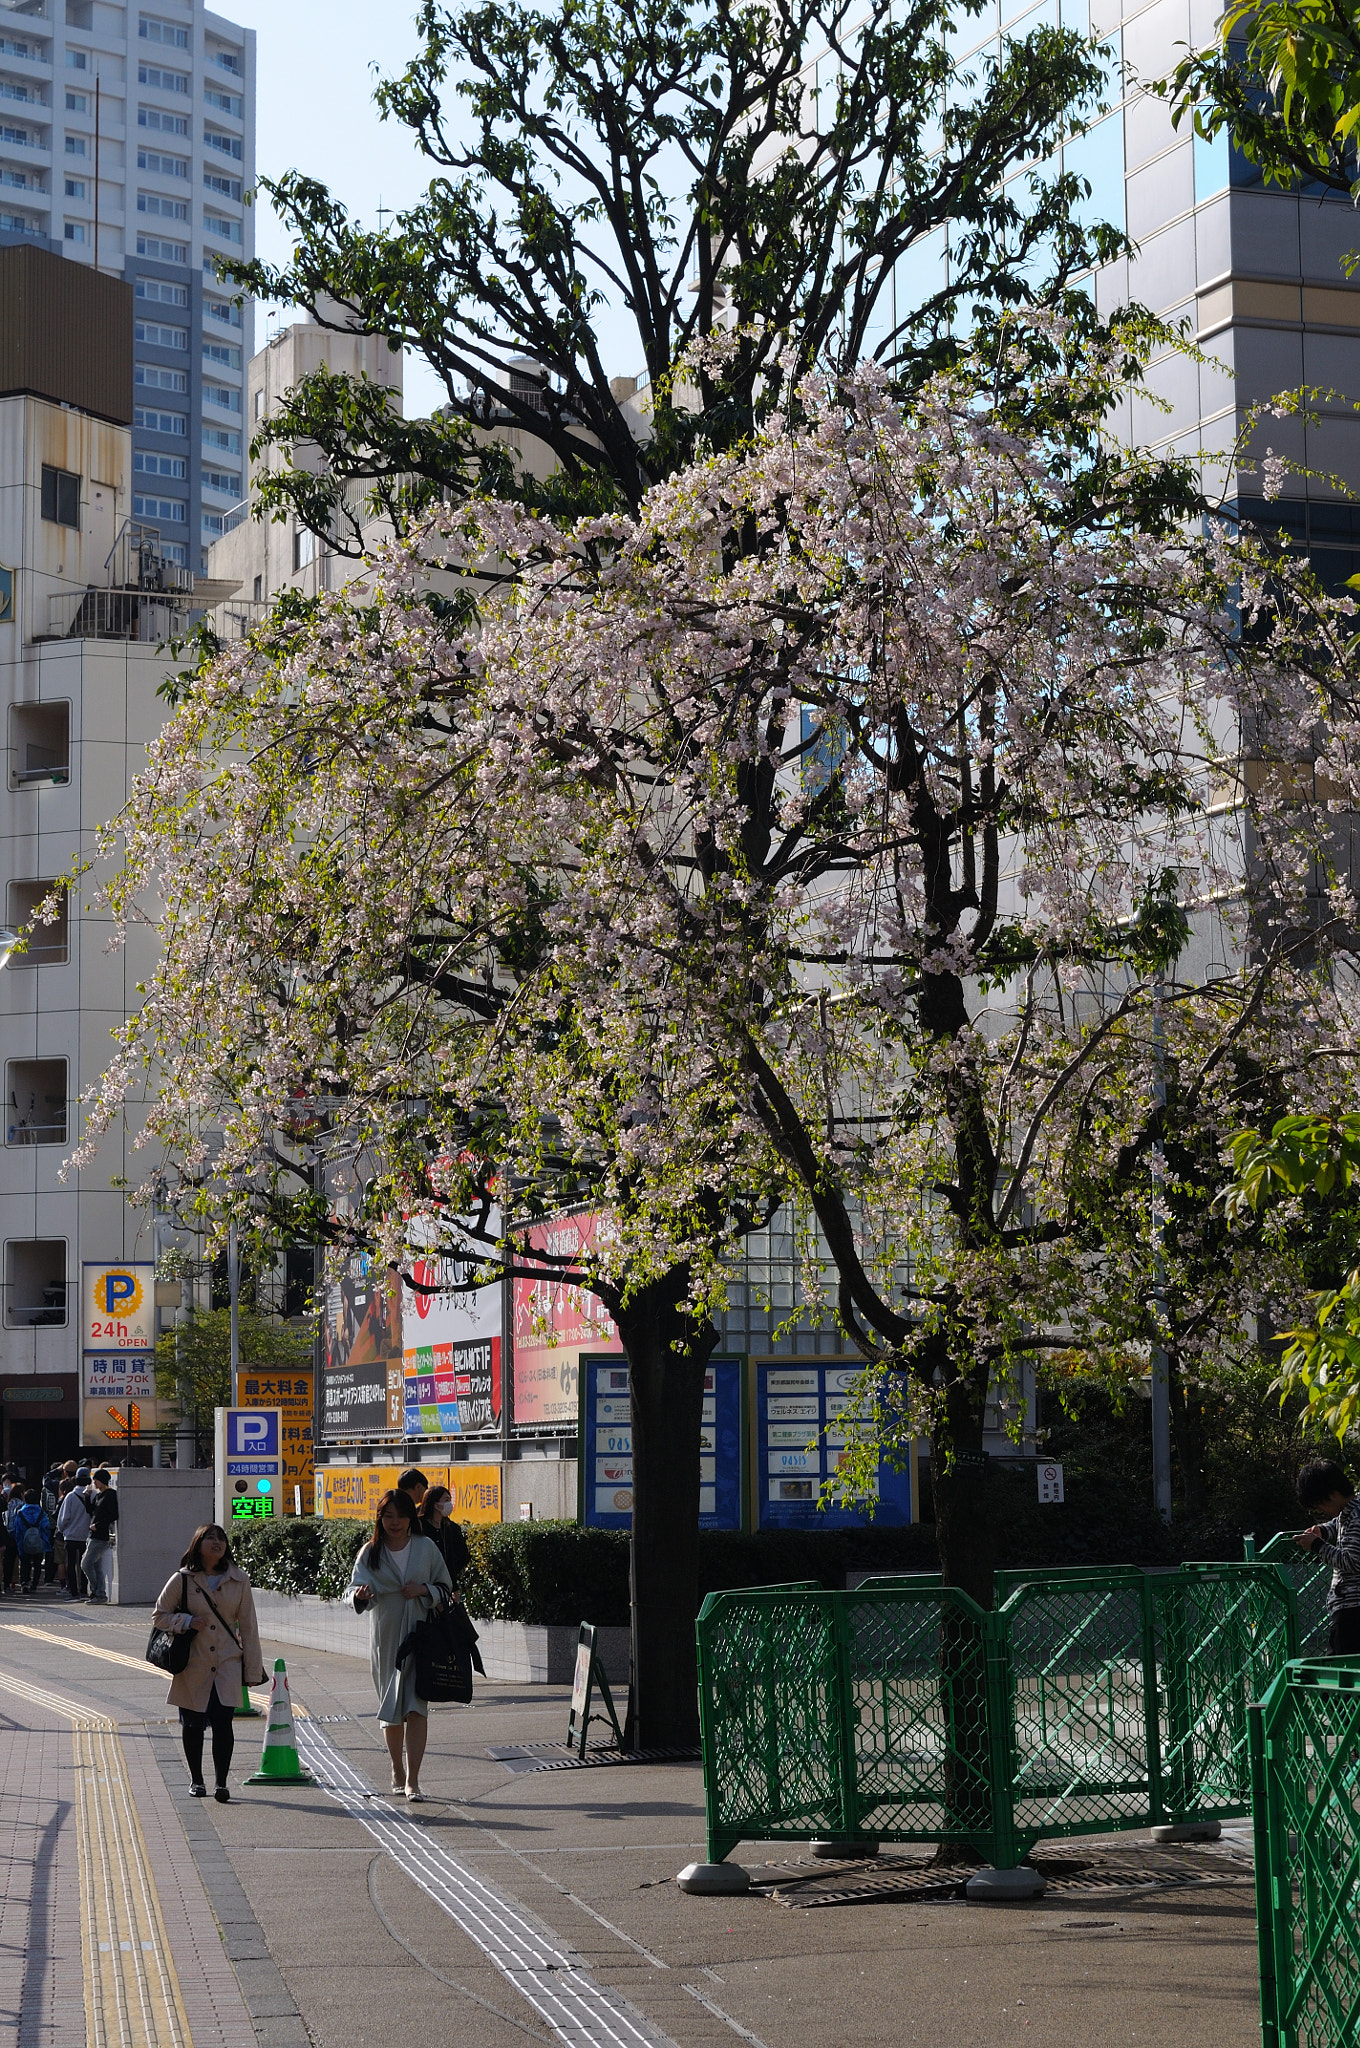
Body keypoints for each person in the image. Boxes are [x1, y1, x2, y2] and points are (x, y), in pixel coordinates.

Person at [347, 1488, 452, 1801]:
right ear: (380, 1518)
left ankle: (413, 1780)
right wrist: (360, 1596)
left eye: (401, 1515)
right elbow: (351, 1589)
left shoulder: (426, 1548)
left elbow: (446, 1588)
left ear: (411, 1517)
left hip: (420, 1635)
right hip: (387, 1638)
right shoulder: (370, 1551)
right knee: (391, 1707)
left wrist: (424, 1590)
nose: (394, 1522)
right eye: (388, 1515)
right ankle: (396, 1767)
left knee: (417, 1706)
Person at [153, 1524, 265, 1802]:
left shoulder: (239, 1580)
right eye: (210, 1538)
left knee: (223, 1723)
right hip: (194, 1662)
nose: (217, 1543)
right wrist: (188, 1622)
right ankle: (197, 1780)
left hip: (227, 1662)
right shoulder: (184, 1579)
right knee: (192, 1724)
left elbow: (249, 1627)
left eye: (221, 1539)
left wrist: (251, 1669)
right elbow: (159, 1615)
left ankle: (222, 1783)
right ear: (197, 1544)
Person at [419, 1484, 471, 1588]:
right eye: (446, 1500)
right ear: (435, 1504)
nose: (449, 1504)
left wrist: (451, 1582)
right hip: (422, 1583)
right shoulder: (419, 1526)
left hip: (444, 1584)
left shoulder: (451, 1528)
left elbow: (461, 1557)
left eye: (450, 1500)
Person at [82, 1469, 119, 1603]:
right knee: (95, 1565)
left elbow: (113, 1515)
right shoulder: (98, 1495)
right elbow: (90, 1511)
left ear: (102, 1480)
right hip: (93, 1534)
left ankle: (96, 1591)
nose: (94, 1482)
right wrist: (87, 1496)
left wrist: (99, 1525)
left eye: (96, 1479)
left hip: (100, 1535)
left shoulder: (110, 1495)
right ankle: (100, 1594)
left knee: (86, 1564)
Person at [12, 1487, 53, 1596]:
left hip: (23, 1543)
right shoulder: (41, 1513)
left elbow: (17, 1529)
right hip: (39, 1542)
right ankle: (34, 1584)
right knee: (37, 1564)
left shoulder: (20, 1513)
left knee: (25, 1564)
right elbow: (46, 1527)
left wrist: (18, 1542)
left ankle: (24, 1583)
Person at [57, 1475, 91, 1599]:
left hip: (71, 1535)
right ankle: (84, 1590)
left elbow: (63, 1518)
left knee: (70, 1564)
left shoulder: (70, 1496)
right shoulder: (91, 1495)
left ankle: (73, 1592)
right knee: (84, 1564)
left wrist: (62, 1530)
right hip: (86, 1535)